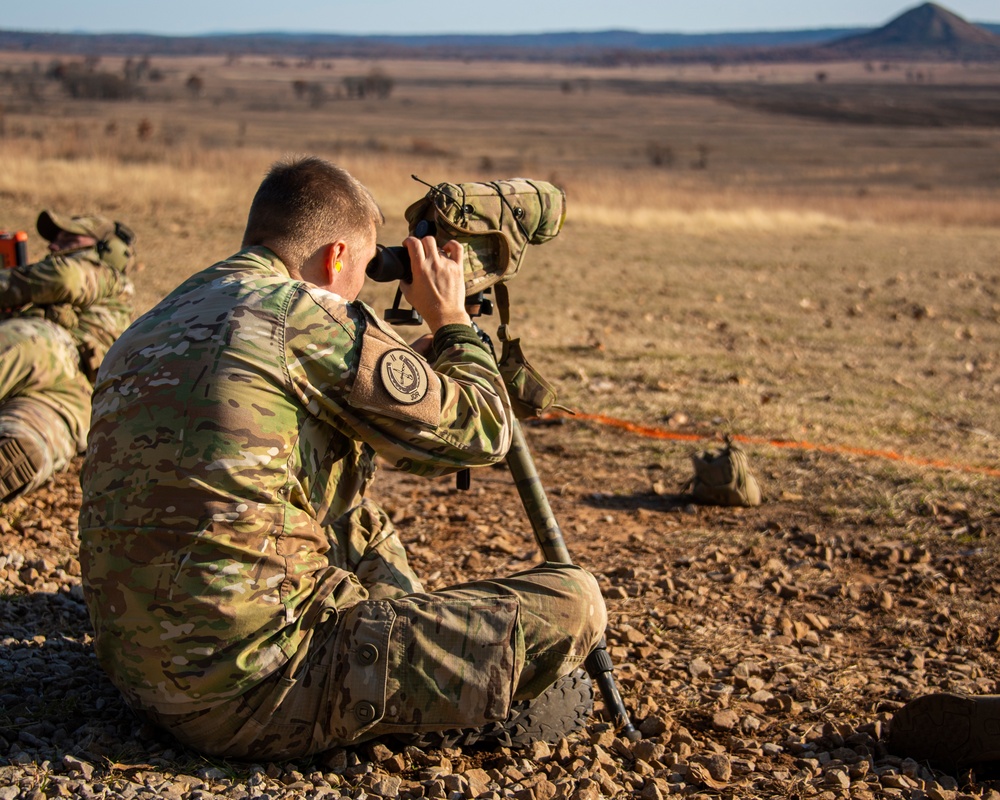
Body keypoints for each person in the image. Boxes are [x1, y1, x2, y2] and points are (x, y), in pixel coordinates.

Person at [79, 156, 607, 760]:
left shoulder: (157, 318)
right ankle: (423, 705)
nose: (361, 288)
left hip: (141, 673)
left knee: (357, 520)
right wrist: (455, 321)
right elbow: (482, 432)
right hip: (258, 694)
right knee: (576, 599)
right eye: (362, 268)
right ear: (335, 257)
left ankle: (399, 648)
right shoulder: (302, 313)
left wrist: (411, 360)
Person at [0, 210, 135, 503]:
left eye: (68, 238)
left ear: (107, 250)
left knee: (28, 338)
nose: (53, 246)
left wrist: (8, 283)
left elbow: (66, 277)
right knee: (39, 434)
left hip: (58, 360)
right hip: (76, 392)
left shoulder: (105, 275)